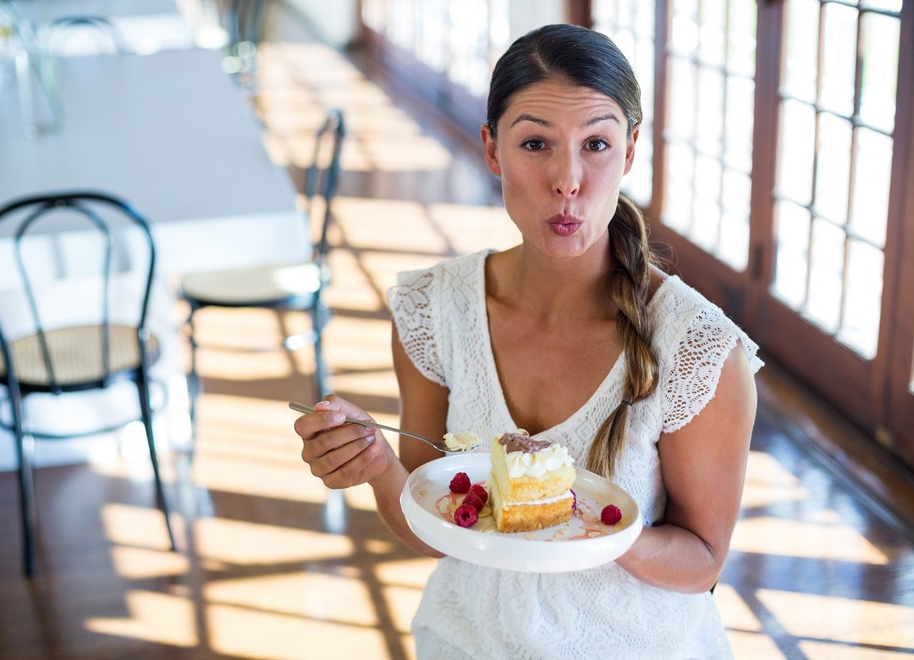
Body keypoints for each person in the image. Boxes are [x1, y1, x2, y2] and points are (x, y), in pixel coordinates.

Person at [293, 23, 762, 659]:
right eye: (536, 143)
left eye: (595, 144)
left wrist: (592, 527)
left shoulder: (700, 351)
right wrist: (380, 470)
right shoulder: (436, 310)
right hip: (466, 641)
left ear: (629, 153)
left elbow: (701, 561)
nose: (567, 180)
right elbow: (438, 529)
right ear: (492, 149)